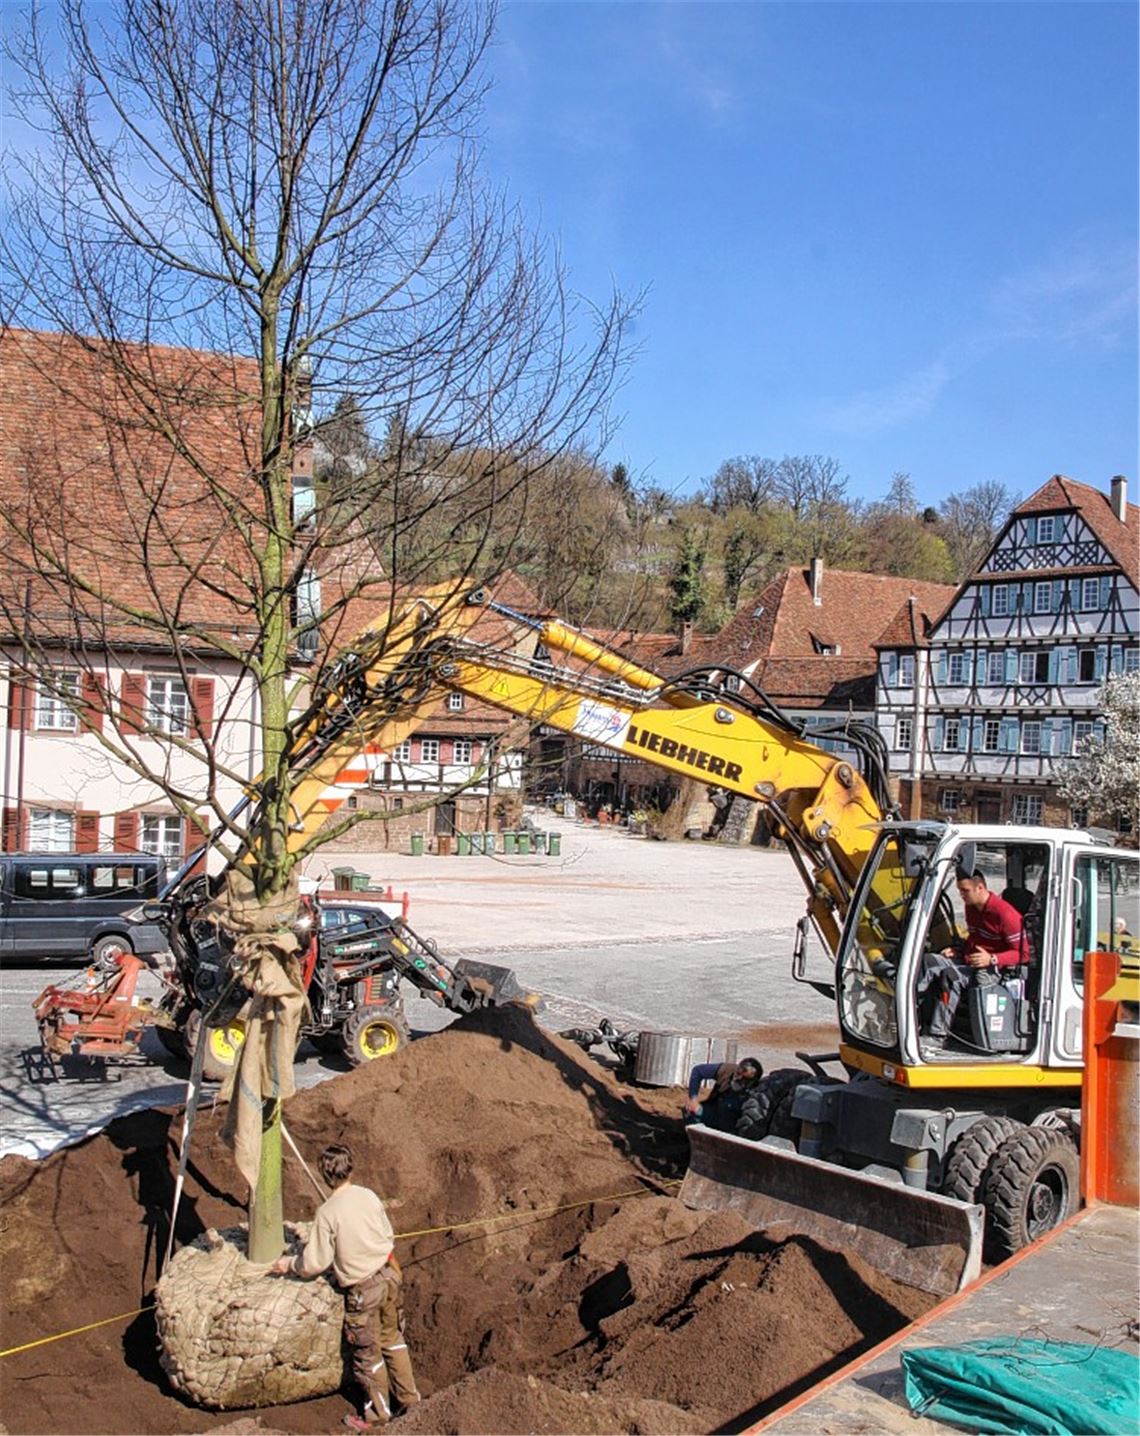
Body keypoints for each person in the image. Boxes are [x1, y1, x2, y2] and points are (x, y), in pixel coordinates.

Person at [270, 1143, 419, 1431]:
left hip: (365, 1288)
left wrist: (288, 1265)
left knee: (367, 1352)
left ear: (325, 1175)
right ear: (350, 1167)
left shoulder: (328, 1212)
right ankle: (411, 1399)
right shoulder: (368, 1195)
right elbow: (387, 1233)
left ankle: (377, 1416)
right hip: (390, 1273)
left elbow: (315, 1261)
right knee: (392, 1338)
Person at [919, 870, 1027, 1051]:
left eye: (965, 891)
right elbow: (974, 938)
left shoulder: (1006, 915)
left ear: (980, 887)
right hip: (972, 960)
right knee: (930, 962)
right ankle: (911, 1016)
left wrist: (992, 958)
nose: (961, 896)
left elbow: (1023, 954)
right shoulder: (972, 908)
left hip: (995, 970)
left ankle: (938, 1035)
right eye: (960, 891)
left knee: (951, 976)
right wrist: (959, 950)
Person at [683, 1057, 763, 1134]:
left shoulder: (756, 1094)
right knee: (693, 1111)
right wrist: (693, 1098)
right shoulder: (728, 1070)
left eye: (744, 1079)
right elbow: (698, 1071)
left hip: (733, 1125)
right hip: (715, 1111)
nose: (738, 1078)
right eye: (738, 1074)